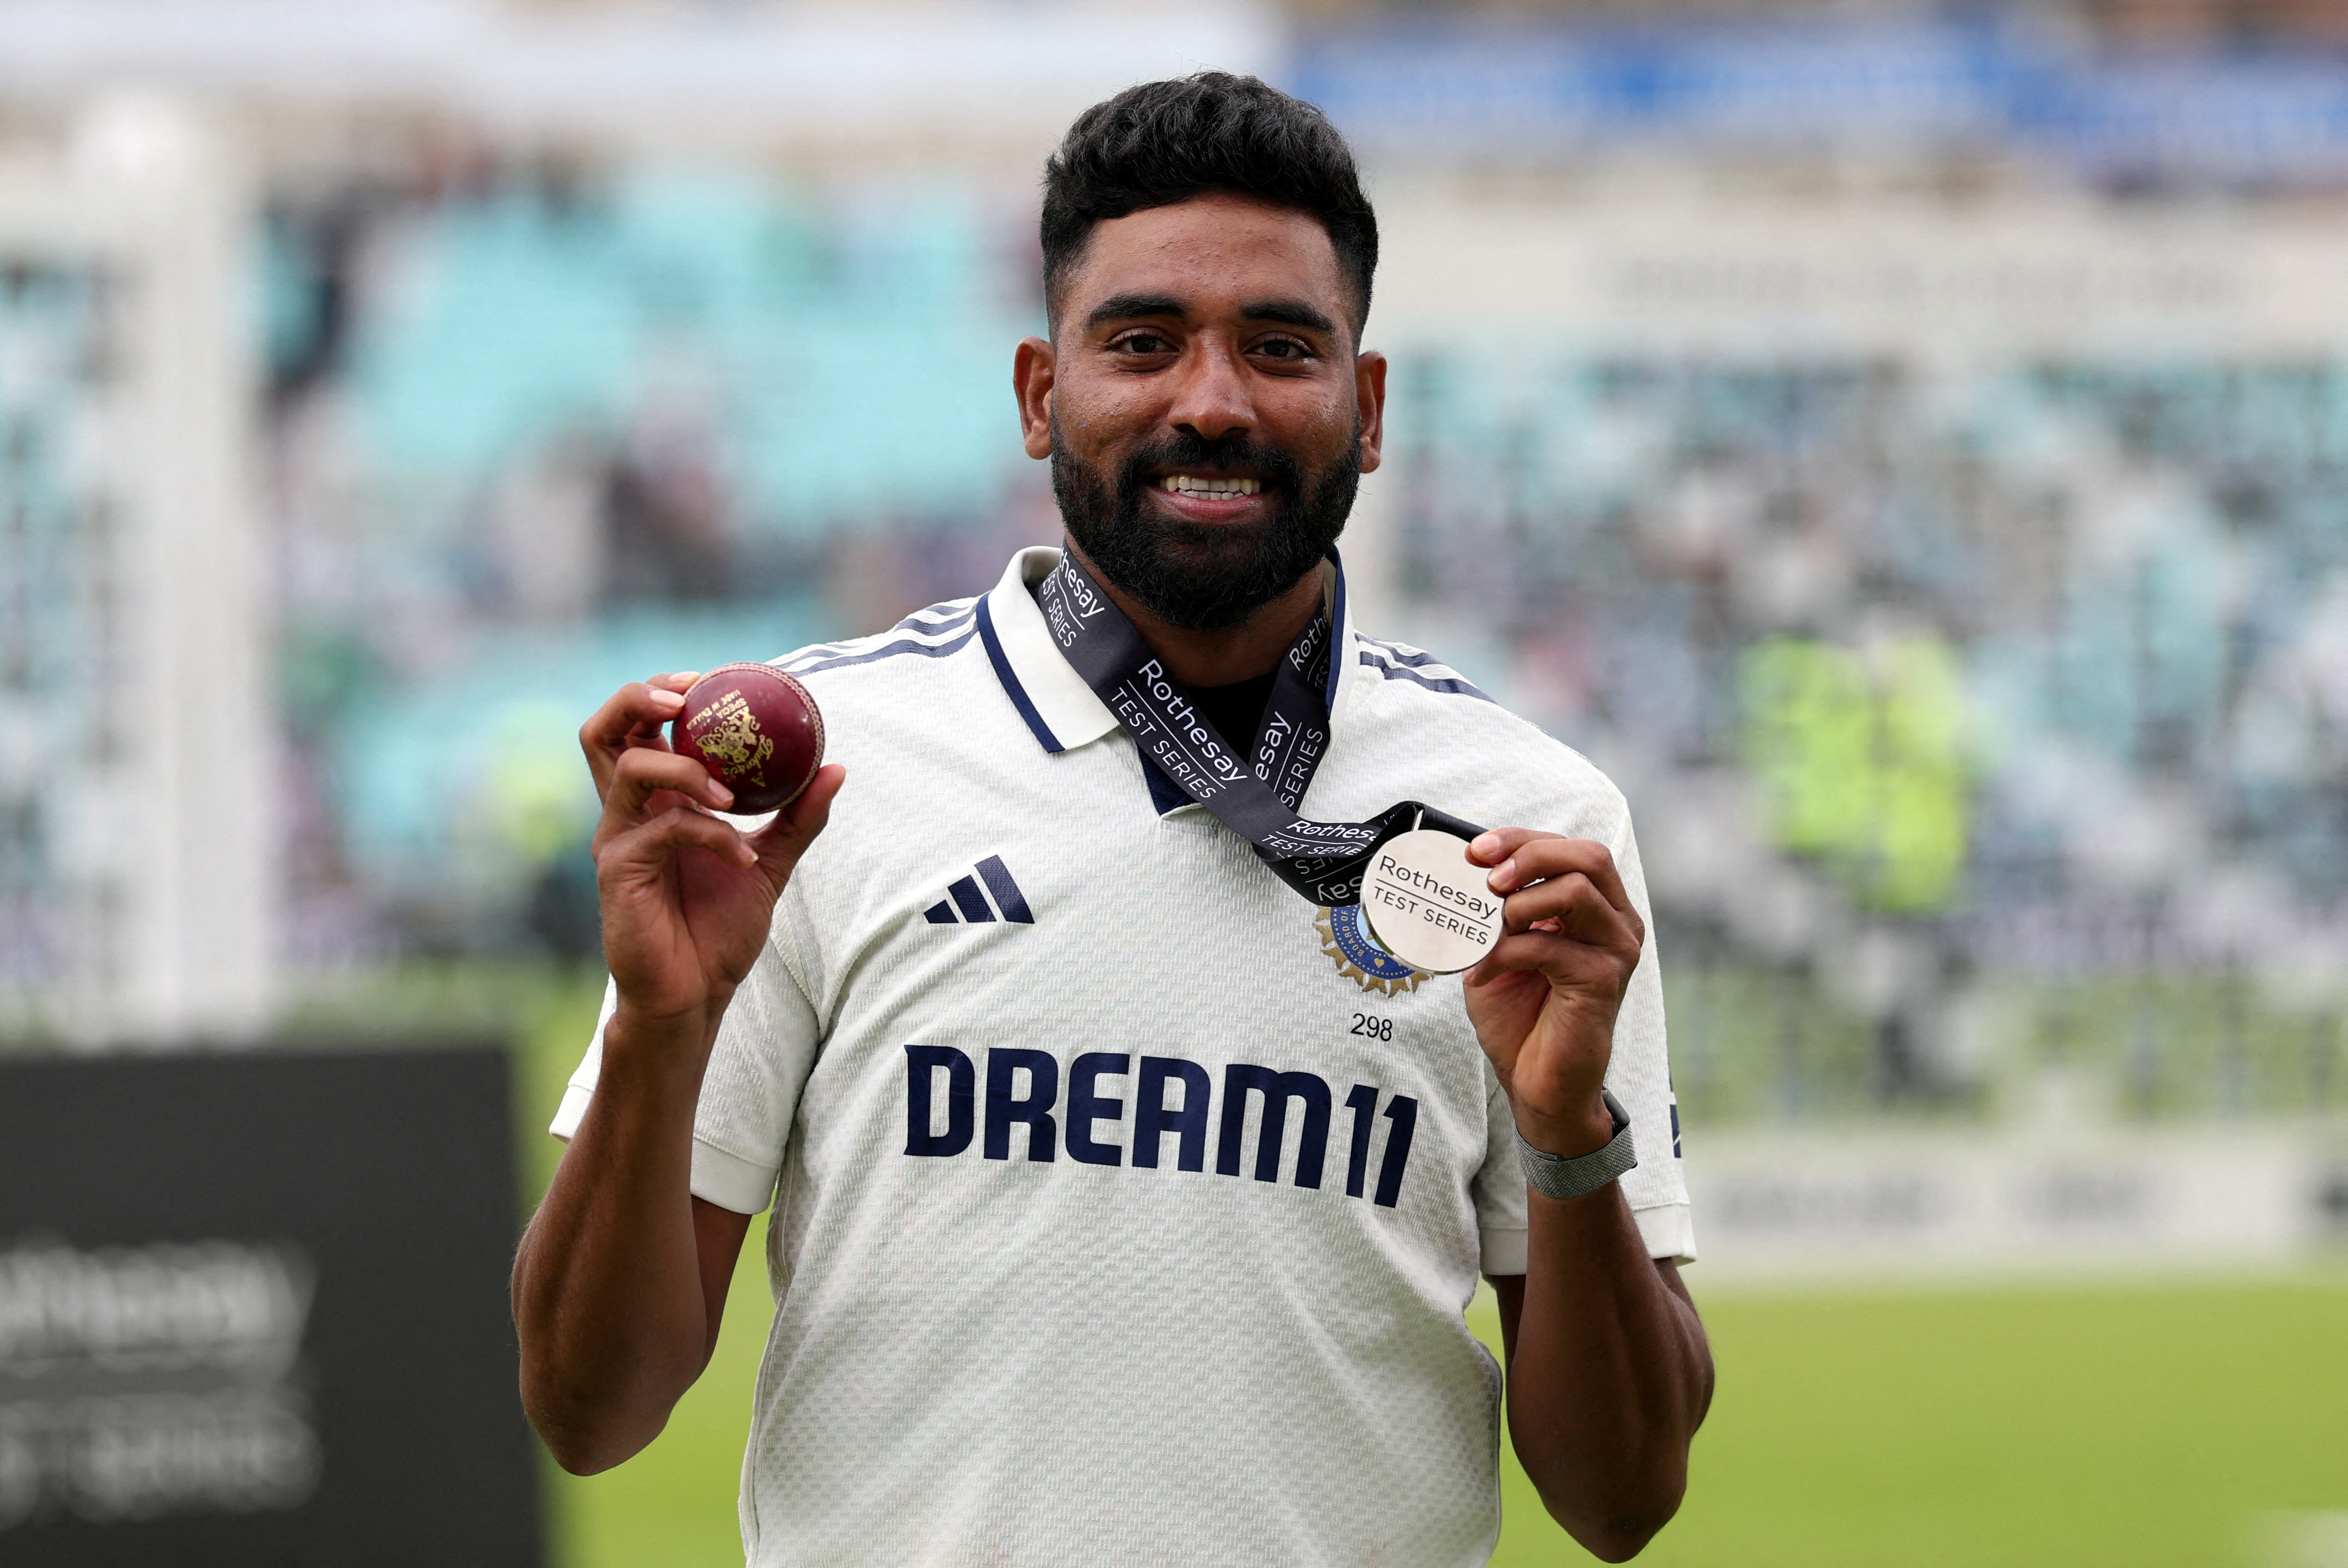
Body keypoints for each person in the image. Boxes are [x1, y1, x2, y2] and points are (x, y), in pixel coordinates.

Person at [513, 73, 1713, 1567]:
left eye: (1280, 348)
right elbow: (589, 1411)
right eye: (1143, 342)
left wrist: (1568, 1136)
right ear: (1039, 394)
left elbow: (1622, 1499)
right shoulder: (821, 788)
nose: (1211, 402)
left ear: (1370, 408)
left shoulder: (1530, 824)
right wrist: (659, 1029)